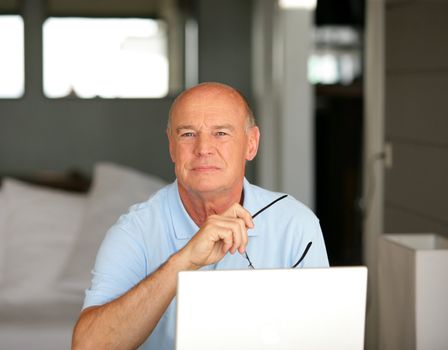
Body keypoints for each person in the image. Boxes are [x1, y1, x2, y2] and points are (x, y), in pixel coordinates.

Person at [72, 82, 329, 349]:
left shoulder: (296, 224)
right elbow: (88, 346)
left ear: (251, 144)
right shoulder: (133, 231)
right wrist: (184, 261)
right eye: (188, 134)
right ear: (172, 147)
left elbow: (326, 338)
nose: (203, 148)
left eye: (220, 133)